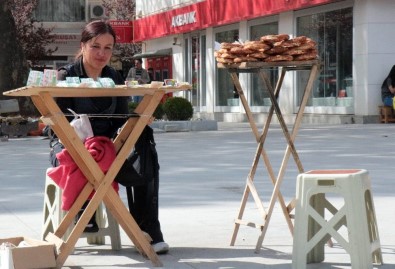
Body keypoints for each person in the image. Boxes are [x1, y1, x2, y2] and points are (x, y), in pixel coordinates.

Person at [49, 20, 169, 254]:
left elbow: (122, 119)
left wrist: (136, 123)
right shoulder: (66, 76)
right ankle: (84, 209)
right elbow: (58, 126)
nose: (102, 53)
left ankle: (148, 228)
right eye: (96, 46)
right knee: (86, 149)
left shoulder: (114, 76)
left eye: (108, 47)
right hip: (72, 146)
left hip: (108, 148)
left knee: (143, 136)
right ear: (83, 45)